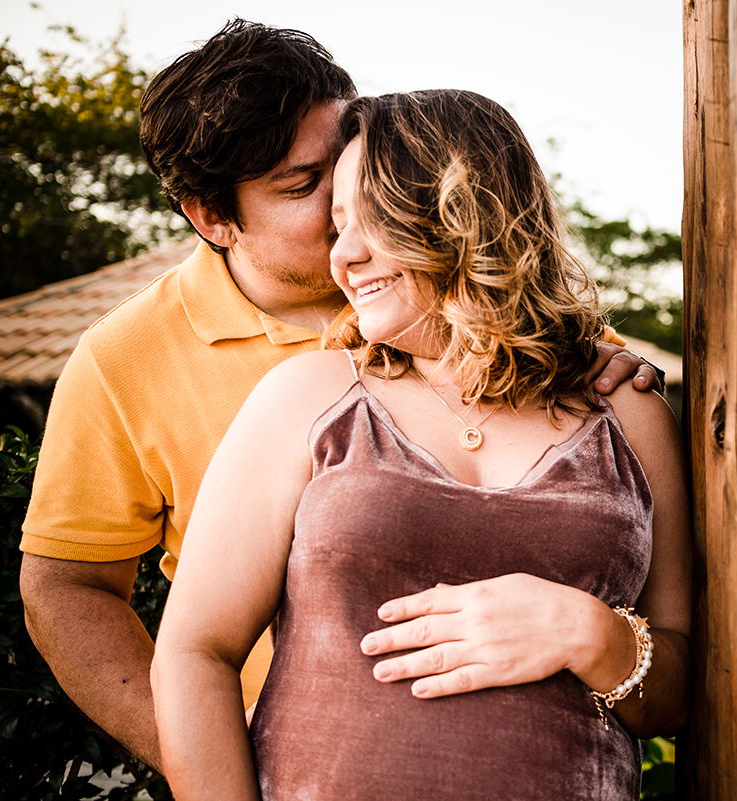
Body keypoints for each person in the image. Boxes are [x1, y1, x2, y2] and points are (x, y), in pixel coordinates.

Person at [17, 21, 659, 773]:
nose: (343, 207)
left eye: (351, 165)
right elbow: (68, 586)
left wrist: (606, 363)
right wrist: (207, 754)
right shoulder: (124, 357)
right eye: (301, 186)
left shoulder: (488, 313)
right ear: (212, 218)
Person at [151, 89, 691, 800]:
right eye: (337, 225)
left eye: (370, 219)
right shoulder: (306, 397)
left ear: (465, 213)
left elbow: (681, 695)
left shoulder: (628, 409)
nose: (343, 256)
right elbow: (194, 653)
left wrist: (585, 629)